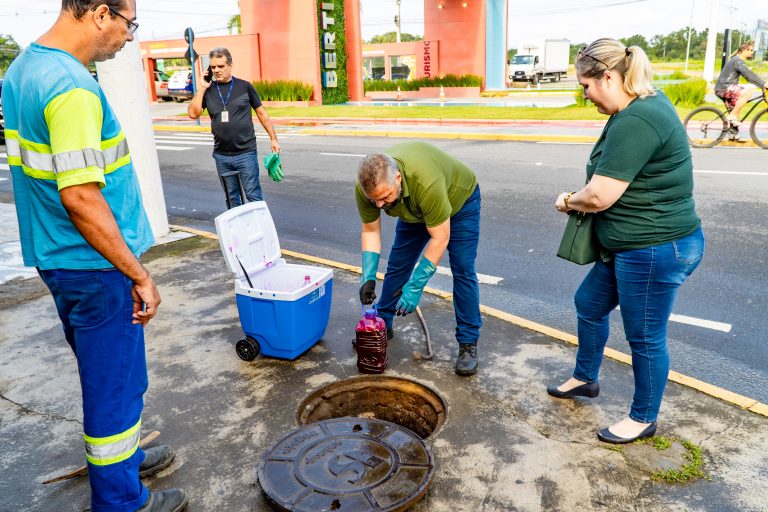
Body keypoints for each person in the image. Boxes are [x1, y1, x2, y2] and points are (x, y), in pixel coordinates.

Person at [1, 1, 186, 511]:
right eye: (129, 24)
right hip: (98, 268)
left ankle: (124, 462)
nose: (129, 36)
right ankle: (123, 501)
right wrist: (139, 274)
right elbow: (80, 196)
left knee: (109, 375)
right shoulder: (72, 87)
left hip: (59, 257)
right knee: (115, 389)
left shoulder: (24, 68)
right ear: (102, 14)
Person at [549, 38, 704, 444]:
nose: (585, 95)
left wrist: (567, 200)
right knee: (589, 304)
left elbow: (599, 196)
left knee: (645, 336)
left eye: (586, 86)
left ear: (608, 77)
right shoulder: (639, 105)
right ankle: (585, 378)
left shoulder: (638, 119)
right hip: (630, 246)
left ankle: (643, 418)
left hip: (654, 248)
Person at [355, 142, 482, 376]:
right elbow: (371, 231)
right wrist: (368, 277)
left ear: (398, 178)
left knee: (463, 269)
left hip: (459, 203)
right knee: (397, 265)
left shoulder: (426, 182)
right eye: (375, 201)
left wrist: (415, 286)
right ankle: (382, 324)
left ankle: (468, 342)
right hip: (414, 209)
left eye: (385, 197)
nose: (380, 205)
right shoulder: (367, 189)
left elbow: (440, 238)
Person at [188, 47, 280, 209]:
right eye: (213, 67)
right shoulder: (208, 91)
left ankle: (258, 225)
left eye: (221, 66)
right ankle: (239, 227)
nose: (216, 70)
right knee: (232, 199)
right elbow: (193, 114)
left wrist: (273, 139)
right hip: (221, 155)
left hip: (245, 153)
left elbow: (261, 113)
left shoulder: (245, 87)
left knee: (253, 196)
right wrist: (202, 87)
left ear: (230, 66)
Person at [714, 41, 768, 126]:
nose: (752, 52)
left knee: (735, 112)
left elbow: (749, 75)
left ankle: (731, 131)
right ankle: (732, 116)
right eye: (750, 50)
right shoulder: (737, 61)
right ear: (743, 50)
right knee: (747, 92)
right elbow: (749, 75)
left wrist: (762, 84)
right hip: (724, 88)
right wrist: (763, 84)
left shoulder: (737, 60)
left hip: (722, 88)